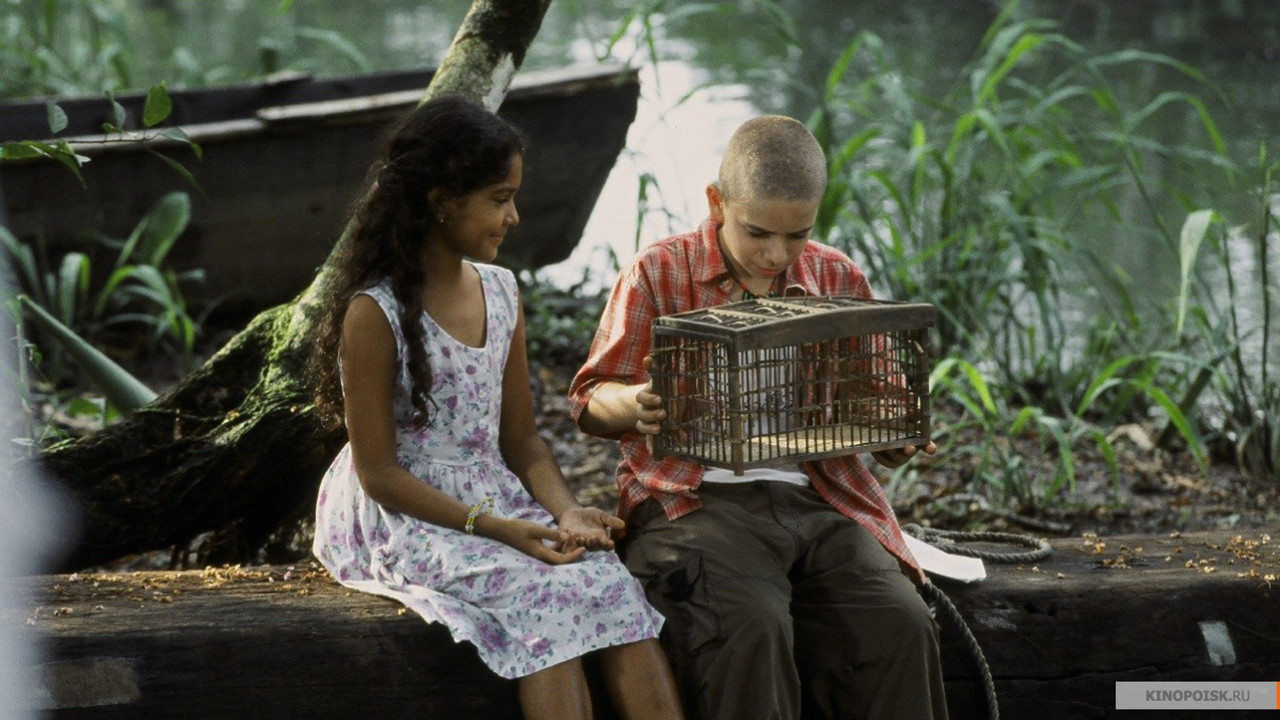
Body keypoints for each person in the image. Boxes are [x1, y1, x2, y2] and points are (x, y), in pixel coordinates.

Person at [307, 96, 684, 720]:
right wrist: (499, 528)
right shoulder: (372, 314)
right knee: (544, 601)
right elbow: (379, 476)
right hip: (403, 513)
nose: (513, 215)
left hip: (493, 493)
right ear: (440, 201)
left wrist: (566, 513)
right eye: (497, 197)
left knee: (608, 587)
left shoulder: (502, 291)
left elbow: (522, 442)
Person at [569, 114, 948, 720]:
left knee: (899, 623)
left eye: (797, 235)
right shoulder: (658, 271)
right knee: (750, 625)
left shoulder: (836, 275)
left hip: (817, 496)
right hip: (693, 503)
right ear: (717, 202)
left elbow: (878, 398)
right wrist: (636, 401)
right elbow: (590, 399)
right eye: (757, 233)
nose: (777, 254)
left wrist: (894, 436)